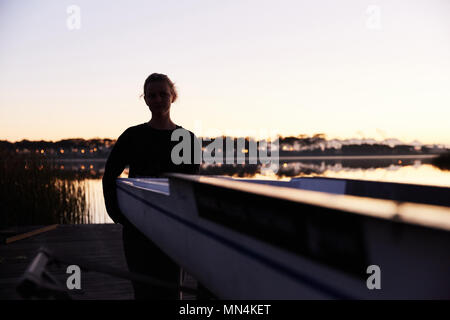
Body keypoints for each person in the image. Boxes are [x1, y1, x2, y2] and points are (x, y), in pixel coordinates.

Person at [102, 73, 200, 299]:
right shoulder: (132, 136)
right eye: (152, 95)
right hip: (138, 227)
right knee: (143, 291)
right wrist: (119, 215)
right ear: (145, 99)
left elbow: (189, 187)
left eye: (163, 94)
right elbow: (110, 176)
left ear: (172, 97)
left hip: (174, 226)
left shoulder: (186, 139)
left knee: (172, 291)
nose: (157, 100)